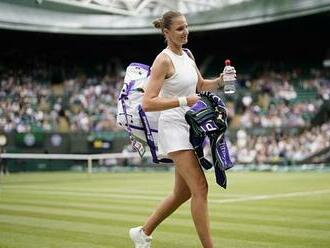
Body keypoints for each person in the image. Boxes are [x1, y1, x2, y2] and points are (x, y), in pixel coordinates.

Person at [129, 10, 225, 248]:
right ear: (166, 32)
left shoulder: (188, 54)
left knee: (183, 193)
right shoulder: (163, 60)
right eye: (180, 28)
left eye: (186, 27)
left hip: (190, 127)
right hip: (173, 128)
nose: (185, 32)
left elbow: (201, 85)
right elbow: (148, 103)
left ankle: (142, 232)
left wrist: (221, 80)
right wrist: (184, 101)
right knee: (200, 188)